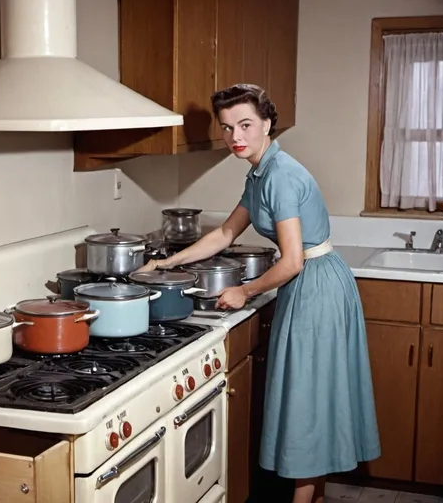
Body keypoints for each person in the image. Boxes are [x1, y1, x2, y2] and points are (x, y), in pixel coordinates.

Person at [136, 83, 381, 503]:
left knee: (306, 400)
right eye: (228, 127)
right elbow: (226, 233)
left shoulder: (281, 177)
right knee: (313, 394)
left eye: (246, 124)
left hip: (316, 286)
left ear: (268, 123)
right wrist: (166, 263)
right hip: (314, 283)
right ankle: (315, 497)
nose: (236, 136)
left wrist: (244, 292)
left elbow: (291, 262)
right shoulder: (261, 171)